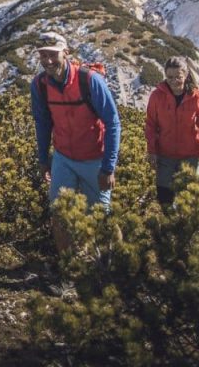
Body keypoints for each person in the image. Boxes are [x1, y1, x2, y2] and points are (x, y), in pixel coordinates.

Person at [30, 31, 121, 250]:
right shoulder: (40, 85)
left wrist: (108, 168)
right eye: (43, 56)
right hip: (63, 158)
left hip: (94, 159)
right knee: (60, 213)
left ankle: (115, 264)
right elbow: (42, 123)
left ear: (66, 53)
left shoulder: (89, 81)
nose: (48, 61)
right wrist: (44, 159)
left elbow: (113, 123)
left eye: (53, 55)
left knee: (100, 215)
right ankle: (69, 267)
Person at [145, 56, 199, 205]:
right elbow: (150, 125)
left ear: (186, 75)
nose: (174, 81)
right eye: (170, 77)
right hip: (165, 157)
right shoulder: (156, 96)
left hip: (191, 157)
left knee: (188, 203)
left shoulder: (197, 98)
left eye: (178, 77)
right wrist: (152, 151)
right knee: (165, 200)